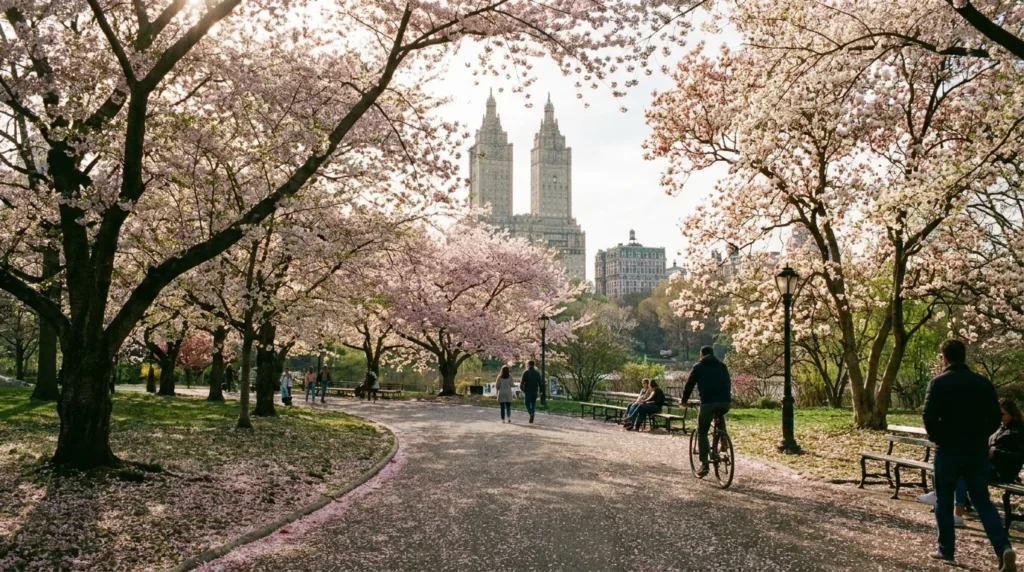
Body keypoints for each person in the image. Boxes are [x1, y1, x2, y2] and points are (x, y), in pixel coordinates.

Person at [923, 339, 1016, 570]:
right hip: (976, 452)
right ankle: (1003, 548)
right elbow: (995, 417)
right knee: (982, 501)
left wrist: (940, 438)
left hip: (948, 451)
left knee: (944, 500)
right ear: (964, 356)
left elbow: (928, 418)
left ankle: (946, 550)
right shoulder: (983, 383)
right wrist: (980, 435)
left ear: (944, 357)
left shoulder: (938, 383)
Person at [918, 398, 1024, 528]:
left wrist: (996, 452)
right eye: (998, 414)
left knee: (962, 472)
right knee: (955, 465)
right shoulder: (1002, 428)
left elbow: (1019, 456)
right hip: (988, 465)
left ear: (1012, 413)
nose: (999, 417)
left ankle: (956, 513)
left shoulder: (1018, 431)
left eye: (1002, 414)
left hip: (1002, 471)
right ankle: (940, 496)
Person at [682, 345, 732, 477]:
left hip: (708, 402)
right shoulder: (722, 366)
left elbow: (690, 385)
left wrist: (684, 400)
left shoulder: (698, 367)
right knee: (719, 414)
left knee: (702, 431)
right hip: (725, 402)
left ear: (701, 354)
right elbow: (728, 382)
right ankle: (723, 438)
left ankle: (704, 464)